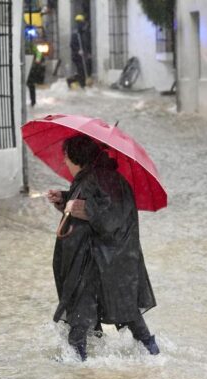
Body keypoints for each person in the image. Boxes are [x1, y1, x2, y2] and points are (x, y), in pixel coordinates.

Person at [47, 135, 159, 361]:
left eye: (66, 156)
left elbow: (108, 216)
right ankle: (152, 354)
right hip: (115, 259)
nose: (64, 161)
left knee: (81, 313)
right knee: (126, 310)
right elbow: (99, 204)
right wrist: (65, 199)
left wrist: (83, 209)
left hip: (98, 260)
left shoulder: (95, 179)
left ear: (75, 157)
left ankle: (77, 368)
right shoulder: (102, 177)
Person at [66, 14, 91, 89]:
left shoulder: (83, 32)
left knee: (84, 70)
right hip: (77, 56)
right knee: (81, 70)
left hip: (83, 54)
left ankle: (79, 83)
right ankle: (80, 84)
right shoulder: (76, 33)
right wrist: (78, 51)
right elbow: (72, 44)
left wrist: (87, 52)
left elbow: (86, 43)